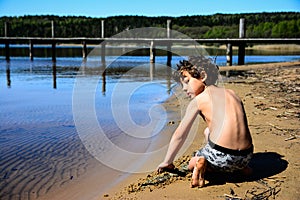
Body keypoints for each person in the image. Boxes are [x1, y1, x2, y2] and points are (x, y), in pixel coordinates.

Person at [157, 56, 253, 188]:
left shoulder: (199, 100)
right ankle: (241, 168)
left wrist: (167, 161)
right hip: (246, 156)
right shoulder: (232, 93)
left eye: (187, 81)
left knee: (192, 161)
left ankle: (201, 162)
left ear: (202, 76)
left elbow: (180, 134)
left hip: (222, 156)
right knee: (208, 131)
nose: (184, 88)